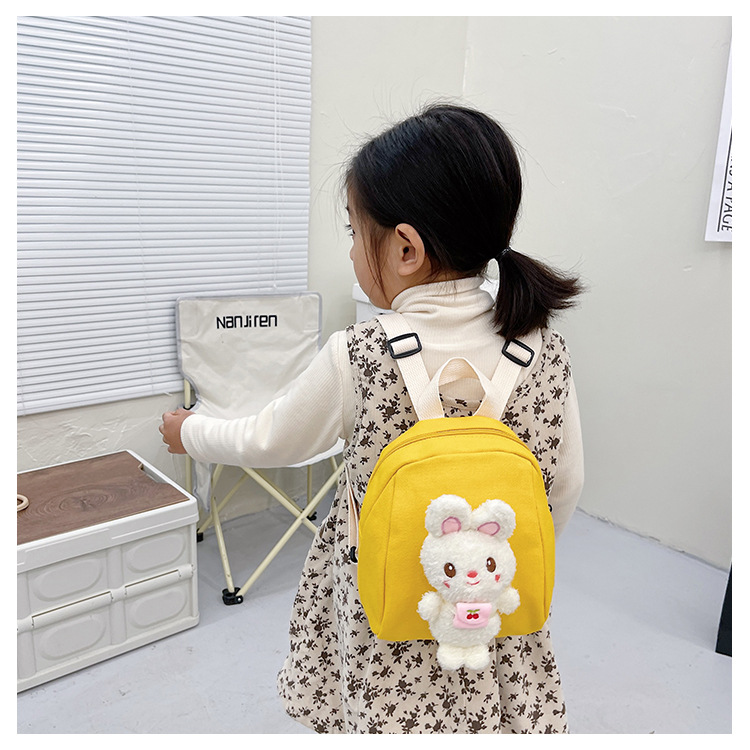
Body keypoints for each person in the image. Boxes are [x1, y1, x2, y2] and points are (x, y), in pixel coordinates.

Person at [160, 103, 585, 734]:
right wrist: (482, 564)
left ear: (406, 248)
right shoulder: (543, 349)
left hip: (382, 604)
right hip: (491, 600)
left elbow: (269, 438)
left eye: (356, 232)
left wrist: (189, 432)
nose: (355, 250)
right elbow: (564, 487)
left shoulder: (358, 355)